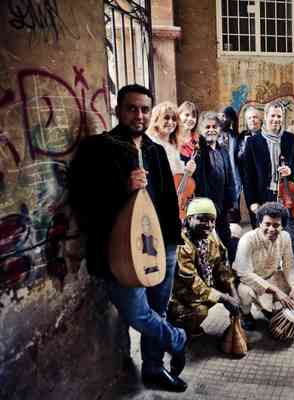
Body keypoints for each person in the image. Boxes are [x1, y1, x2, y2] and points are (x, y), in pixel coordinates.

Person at [68, 84, 188, 392]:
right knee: (138, 312)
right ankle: (177, 338)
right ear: (118, 110)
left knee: (158, 310)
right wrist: (123, 186)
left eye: (145, 109)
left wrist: (173, 242)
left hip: (162, 245)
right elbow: (82, 199)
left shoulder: (156, 151)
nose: (139, 115)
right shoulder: (98, 148)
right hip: (120, 250)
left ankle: (153, 369)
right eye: (132, 108)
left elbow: (166, 201)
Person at [242, 100, 294, 274]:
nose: (276, 119)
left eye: (279, 116)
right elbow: (248, 177)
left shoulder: (290, 139)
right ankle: (265, 274)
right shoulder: (253, 142)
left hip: (287, 196)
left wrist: (290, 169)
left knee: (293, 236)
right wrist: (252, 202)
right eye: (273, 116)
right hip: (264, 196)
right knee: (265, 239)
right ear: (266, 117)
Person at [168, 198, 240, 338]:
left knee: (235, 290)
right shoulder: (181, 244)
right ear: (189, 219)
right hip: (179, 295)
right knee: (199, 311)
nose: (209, 225)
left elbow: (222, 267)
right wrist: (224, 298)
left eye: (212, 220)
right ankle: (177, 329)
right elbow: (192, 282)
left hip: (203, 286)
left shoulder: (210, 236)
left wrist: (233, 292)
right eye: (202, 219)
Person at [233, 202, 294, 331]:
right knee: (245, 294)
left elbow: (289, 265)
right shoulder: (247, 239)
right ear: (260, 223)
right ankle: (245, 314)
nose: (271, 229)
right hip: (247, 281)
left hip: (271, 276)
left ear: (282, 226)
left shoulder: (285, 236)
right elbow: (244, 273)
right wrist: (276, 291)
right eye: (267, 224)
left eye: (276, 225)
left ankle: (265, 305)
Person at [189, 112, 236, 261]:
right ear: (201, 130)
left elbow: (230, 176)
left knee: (226, 240)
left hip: (222, 204)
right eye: (207, 127)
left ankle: (229, 273)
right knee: (207, 244)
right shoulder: (198, 151)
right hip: (206, 204)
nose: (211, 130)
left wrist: (231, 200)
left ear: (219, 129)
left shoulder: (223, 150)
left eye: (214, 127)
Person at [147, 101, 196, 176]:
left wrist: (188, 171)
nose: (170, 122)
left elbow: (178, 177)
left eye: (174, 119)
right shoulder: (149, 143)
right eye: (166, 118)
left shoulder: (174, 145)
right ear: (156, 120)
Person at [237, 106, 263, 228]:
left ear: (260, 119)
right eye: (249, 118)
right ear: (246, 121)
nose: (252, 120)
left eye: (255, 117)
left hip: (263, 181)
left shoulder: (266, 135)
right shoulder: (242, 136)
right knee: (253, 214)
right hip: (248, 181)